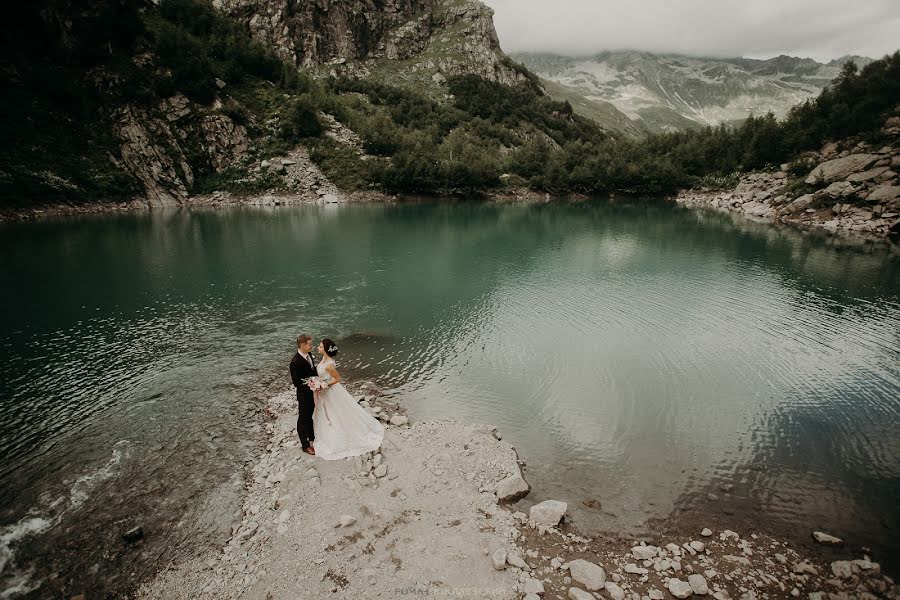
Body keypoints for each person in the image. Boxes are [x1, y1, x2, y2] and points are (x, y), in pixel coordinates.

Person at [311, 338, 384, 460]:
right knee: (328, 411)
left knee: (336, 412)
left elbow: (337, 379)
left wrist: (324, 385)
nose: (318, 347)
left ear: (325, 350)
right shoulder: (325, 359)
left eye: (320, 346)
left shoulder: (329, 365)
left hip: (330, 391)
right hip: (325, 391)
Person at [289, 334, 317, 455]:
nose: (312, 346)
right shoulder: (295, 362)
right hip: (304, 395)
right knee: (302, 419)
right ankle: (305, 445)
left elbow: (312, 371)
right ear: (302, 345)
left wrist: (318, 381)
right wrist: (312, 386)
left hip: (313, 392)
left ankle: (312, 437)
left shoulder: (309, 354)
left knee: (310, 416)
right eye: (310, 344)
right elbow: (296, 383)